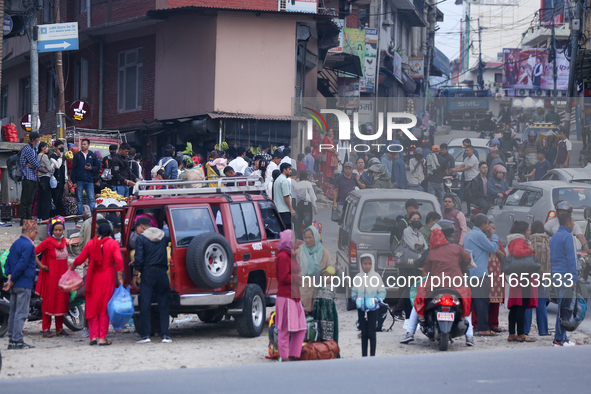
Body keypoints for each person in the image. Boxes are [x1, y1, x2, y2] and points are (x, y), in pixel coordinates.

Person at [409, 227, 474, 346]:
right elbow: (468, 259)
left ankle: (410, 332)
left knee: (419, 297)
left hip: (436, 285)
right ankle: (469, 336)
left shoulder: (431, 252)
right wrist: (461, 267)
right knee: (466, 302)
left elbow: (427, 269)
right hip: (456, 284)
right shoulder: (456, 248)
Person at [72, 223, 124, 346]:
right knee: (104, 308)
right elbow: (119, 259)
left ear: (98, 232)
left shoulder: (91, 243)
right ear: (110, 233)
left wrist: (72, 267)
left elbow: (80, 258)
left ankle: (93, 337)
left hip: (92, 278)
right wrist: (120, 276)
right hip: (107, 278)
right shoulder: (113, 243)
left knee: (93, 307)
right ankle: (102, 338)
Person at [131, 217, 172, 344]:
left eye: (136, 228)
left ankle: (145, 335)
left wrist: (134, 275)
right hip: (162, 273)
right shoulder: (162, 236)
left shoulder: (142, 238)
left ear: (142, 226)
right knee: (163, 305)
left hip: (148, 273)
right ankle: (165, 335)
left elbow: (139, 258)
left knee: (145, 304)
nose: (136, 231)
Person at [463, 213, 500, 336]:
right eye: (487, 224)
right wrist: (493, 235)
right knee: (482, 302)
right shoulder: (479, 234)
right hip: (480, 273)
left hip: (470, 272)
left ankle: (465, 326)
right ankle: (483, 328)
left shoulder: (468, 234)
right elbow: (493, 248)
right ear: (483, 224)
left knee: (471, 302)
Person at [3, 220, 38, 349]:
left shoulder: (16, 244)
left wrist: (9, 276)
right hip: (23, 284)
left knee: (13, 312)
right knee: (21, 313)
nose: (36, 235)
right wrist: (12, 279)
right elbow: (22, 264)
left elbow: (7, 261)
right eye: (35, 232)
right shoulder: (28, 245)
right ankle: (17, 340)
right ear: (30, 232)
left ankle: (12, 339)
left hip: (15, 285)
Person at [35, 216, 69, 337]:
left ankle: (59, 328)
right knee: (48, 303)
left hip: (62, 279)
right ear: (52, 231)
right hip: (50, 279)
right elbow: (33, 252)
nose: (58, 232)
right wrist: (41, 266)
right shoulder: (48, 242)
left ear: (63, 230)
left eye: (60, 230)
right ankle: (46, 329)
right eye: (56, 230)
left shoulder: (65, 242)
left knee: (61, 302)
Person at [276, 230, 307, 362]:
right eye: (293, 239)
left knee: (301, 327)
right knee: (285, 329)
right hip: (286, 296)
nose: (295, 241)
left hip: (294, 295)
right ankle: (284, 356)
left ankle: (294, 354)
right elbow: (283, 277)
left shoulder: (291, 255)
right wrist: (297, 277)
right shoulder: (283, 256)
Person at [470, 220, 505, 333]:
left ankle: (493, 323)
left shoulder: (497, 240)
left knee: (495, 300)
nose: (492, 231)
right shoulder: (480, 239)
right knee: (479, 299)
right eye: (490, 228)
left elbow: (504, 255)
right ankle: (476, 324)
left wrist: (498, 250)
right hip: (482, 272)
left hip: (495, 273)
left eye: (494, 228)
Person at [505, 221, 538, 342]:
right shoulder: (520, 240)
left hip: (516, 275)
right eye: (528, 230)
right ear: (523, 231)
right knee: (521, 306)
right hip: (523, 276)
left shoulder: (512, 240)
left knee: (514, 306)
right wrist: (529, 249)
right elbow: (518, 252)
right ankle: (521, 334)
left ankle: (512, 333)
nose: (529, 232)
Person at [550, 213, 578, 346]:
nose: (573, 224)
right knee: (564, 309)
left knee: (563, 307)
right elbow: (572, 259)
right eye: (573, 222)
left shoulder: (555, 236)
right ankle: (558, 339)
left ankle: (562, 337)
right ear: (568, 223)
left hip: (556, 274)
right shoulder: (568, 237)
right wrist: (574, 277)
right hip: (566, 275)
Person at [352, 254, 386, 357]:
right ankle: (364, 356)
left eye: (370, 263)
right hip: (361, 309)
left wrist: (376, 300)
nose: (367, 266)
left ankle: (372, 356)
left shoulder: (376, 277)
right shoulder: (358, 277)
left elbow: (382, 292)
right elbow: (353, 292)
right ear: (360, 264)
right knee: (364, 333)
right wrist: (356, 300)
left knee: (372, 333)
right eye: (365, 263)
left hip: (373, 309)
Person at [297, 225, 336, 312]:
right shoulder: (299, 252)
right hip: (303, 290)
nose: (307, 240)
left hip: (319, 290)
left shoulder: (325, 253)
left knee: (317, 316)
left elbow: (330, 272)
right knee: (303, 316)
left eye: (310, 237)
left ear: (316, 237)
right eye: (305, 237)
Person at [524, 220, 551, 337]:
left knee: (528, 303)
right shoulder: (548, 240)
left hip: (530, 275)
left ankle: (525, 330)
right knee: (541, 303)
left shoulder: (528, 241)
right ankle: (543, 330)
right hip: (544, 275)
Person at [71, 138, 100, 215]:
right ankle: (80, 214)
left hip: (89, 180)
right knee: (79, 199)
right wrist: (74, 181)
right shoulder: (77, 155)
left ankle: (94, 215)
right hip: (79, 180)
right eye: (82, 144)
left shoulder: (92, 155)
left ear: (88, 145)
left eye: (85, 144)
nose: (83, 146)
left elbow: (98, 167)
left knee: (91, 198)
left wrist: (91, 168)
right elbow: (73, 169)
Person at [312, 266, 339, 343]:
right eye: (326, 276)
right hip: (318, 312)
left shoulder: (334, 286)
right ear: (322, 277)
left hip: (330, 314)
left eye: (331, 276)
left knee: (329, 334)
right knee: (318, 332)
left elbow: (341, 274)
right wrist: (325, 268)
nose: (328, 278)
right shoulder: (319, 284)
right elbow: (317, 272)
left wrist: (338, 269)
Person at [450, 145, 479, 215]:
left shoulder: (473, 159)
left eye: (467, 150)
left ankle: (472, 212)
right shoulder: (467, 158)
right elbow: (462, 165)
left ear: (472, 151)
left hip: (472, 180)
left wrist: (456, 170)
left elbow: (466, 168)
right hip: (467, 180)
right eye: (465, 150)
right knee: (467, 197)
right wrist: (455, 169)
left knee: (471, 197)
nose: (466, 152)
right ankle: (469, 212)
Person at [19, 132, 41, 221]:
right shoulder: (28, 149)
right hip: (27, 177)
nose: (39, 140)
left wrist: (34, 165)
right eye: (38, 138)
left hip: (33, 177)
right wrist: (35, 165)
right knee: (25, 200)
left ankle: (28, 219)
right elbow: (36, 163)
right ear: (35, 139)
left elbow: (37, 164)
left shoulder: (33, 149)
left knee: (30, 201)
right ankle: (23, 219)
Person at [294, 170, 317, 240]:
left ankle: (299, 239)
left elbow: (295, 197)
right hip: (307, 206)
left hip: (299, 206)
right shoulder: (308, 184)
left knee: (298, 224)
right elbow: (312, 196)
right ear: (307, 176)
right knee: (308, 224)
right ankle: (308, 239)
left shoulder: (297, 185)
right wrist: (315, 207)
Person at [274, 163, 295, 229]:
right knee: (287, 231)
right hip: (285, 210)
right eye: (289, 169)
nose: (290, 171)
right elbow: (286, 196)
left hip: (278, 209)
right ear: (284, 170)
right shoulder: (284, 181)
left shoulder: (277, 180)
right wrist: (291, 209)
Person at [50, 140, 68, 217]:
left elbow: (65, 169)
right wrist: (60, 157)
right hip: (54, 181)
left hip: (61, 181)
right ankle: (52, 215)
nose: (61, 150)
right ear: (55, 148)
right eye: (59, 148)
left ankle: (58, 215)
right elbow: (57, 166)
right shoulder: (52, 157)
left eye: (62, 148)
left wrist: (66, 181)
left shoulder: (63, 157)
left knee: (60, 200)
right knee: (55, 199)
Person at [37, 142, 52, 221]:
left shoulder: (37, 156)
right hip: (46, 178)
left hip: (40, 178)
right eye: (46, 147)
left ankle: (39, 216)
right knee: (46, 198)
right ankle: (45, 217)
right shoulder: (45, 156)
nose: (48, 149)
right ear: (42, 148)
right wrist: (53, 165)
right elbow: (49, 169)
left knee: (41, 198)